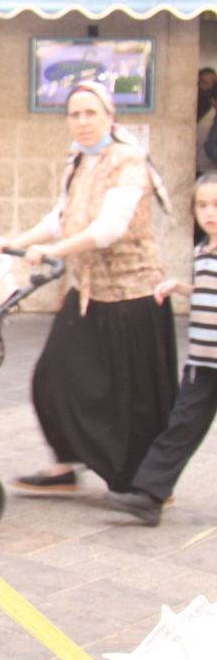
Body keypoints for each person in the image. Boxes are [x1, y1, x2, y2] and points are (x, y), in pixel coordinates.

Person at [0, 80, 177, 496]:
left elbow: (111, 227)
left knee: (135, 397)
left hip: (133, 294)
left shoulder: (128, 161)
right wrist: (17, 241)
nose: (83, 121)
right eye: (75, 114)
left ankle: (146, 480)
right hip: (89, 291)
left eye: (91, 113)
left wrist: (56, 250)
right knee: (52, 377)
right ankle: (67, 466)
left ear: (110, 117)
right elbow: (59, 217)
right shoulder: (78, 162)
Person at [107, 172, 217, 525]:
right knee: (180, 426)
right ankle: (150, 496)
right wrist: (180, 287)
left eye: (216, 205)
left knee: (181, 425)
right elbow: (206, 290)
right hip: (202, 364)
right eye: (202, 205)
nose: (209, 212)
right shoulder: (202, 250)